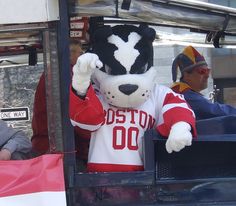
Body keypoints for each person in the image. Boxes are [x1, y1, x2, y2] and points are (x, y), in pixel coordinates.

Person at [31, 39, 88, 160]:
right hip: (63, 148)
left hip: (46, 145)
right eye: (79, 53)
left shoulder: (50, 73)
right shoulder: (67, 75)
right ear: (68, 54)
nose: (82, 57)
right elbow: (76, 112)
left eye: (81, 53)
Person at [171, 45, 236, 120]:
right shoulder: (185, 95)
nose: (207, 75)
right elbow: (214, 110)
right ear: (187, 75)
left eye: (208, 71)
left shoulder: (181, 93)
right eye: (202, 71)